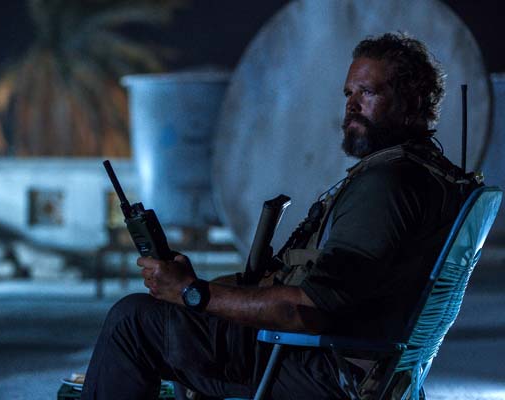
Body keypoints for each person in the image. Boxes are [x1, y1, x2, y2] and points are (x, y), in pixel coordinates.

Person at [81, 33, 475, 399]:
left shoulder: (388, 185)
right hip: (358, 360)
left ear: (413, 101)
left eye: (368, 92)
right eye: (348, 93)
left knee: (132, 320)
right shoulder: (431, 174)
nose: (351, 106)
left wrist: (191, 293)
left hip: (323, 368)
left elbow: (306, 310)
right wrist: (195, 287)